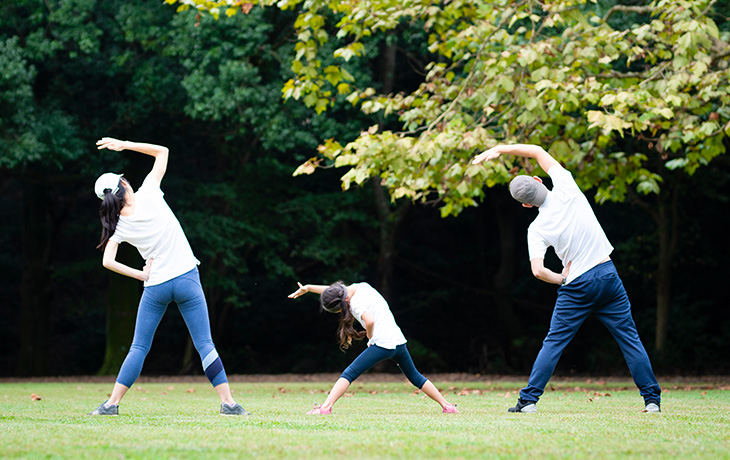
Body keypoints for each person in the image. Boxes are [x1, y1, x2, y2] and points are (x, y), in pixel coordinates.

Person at [472, 144, 661, 413]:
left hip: (576, 287)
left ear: (526, 204)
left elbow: (538, 271)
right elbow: (537, 151)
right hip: (607, 275)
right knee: (629, 339)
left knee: (554, 343)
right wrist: (500, 149)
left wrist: (561, 279)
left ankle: (528, 402)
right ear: (539, 180)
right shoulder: (566, 186)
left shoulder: (536, 228)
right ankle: (652, 401)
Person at [88, 137, 249, 416]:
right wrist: (124, 144)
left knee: (139, 346)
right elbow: (163, 151)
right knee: (205, 344)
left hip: (156, 286)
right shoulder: (149, 192)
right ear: (124, 185)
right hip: (187, 278)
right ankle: (228, 404)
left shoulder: (118, 226)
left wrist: (141, 274)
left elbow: (107, 261)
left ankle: (111, 405)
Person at [288, 281, 459, 415]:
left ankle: (325, 408)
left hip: (382, 344)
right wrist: (309, 288)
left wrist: (369, 336)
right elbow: (338, 291)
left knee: (349, 373)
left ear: (342, 304)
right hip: (398, 341)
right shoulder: (361, 287)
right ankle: (447, 406)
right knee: (415, 376)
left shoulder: (354, 304)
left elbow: (369, 321)